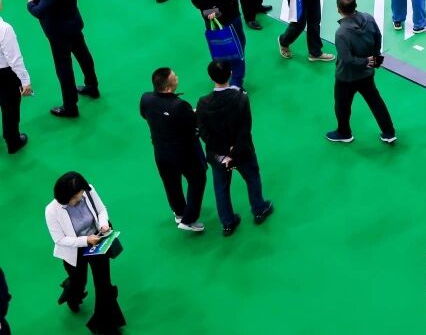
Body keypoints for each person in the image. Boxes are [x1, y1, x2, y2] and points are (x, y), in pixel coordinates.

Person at [196, 60, 275, 236]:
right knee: (252, 177)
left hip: (218, 155)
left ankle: (227, 223)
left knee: (221, 188)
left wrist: (224, 153)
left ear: (210, 77)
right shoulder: (241, 98)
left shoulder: (203, 103)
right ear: (230, 74)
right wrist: (233, 150)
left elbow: (203, 132)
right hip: (242, 151)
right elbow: (245, 128)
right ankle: (259, 209)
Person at [44, 171, 126, 332]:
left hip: (97, 241)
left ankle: (107, 325)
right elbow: (59, 240)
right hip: (74, 250)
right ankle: (72, 294)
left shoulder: (87, 190)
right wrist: (85, 240)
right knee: (78, 282)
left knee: (103, 285)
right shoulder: (51, 211)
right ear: (65, 196)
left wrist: (103, 224)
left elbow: (101, 210)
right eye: (76, 197)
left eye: (81, 194)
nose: (80, 197)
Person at [27, 0, 98, 118]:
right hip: (73, 24)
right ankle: (92, 87)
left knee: (64, 68)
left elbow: (39, 11)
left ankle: (70, 106)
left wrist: (30, 3)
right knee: (84, 56)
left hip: (58, 33)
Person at [140, 67, 207, 231]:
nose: (177, 76)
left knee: (171, 183)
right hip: (184, 153)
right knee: (197, 179)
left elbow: (145, 115)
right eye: (174, 76)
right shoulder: (179, 105)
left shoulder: (146, 99)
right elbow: (194, 123)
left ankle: (179, 213)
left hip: (160, 152)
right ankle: (189, 220)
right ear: (169, 87)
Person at [328, 0, 397, 143]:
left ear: (338, 10)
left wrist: (365, 61)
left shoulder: (341, 33)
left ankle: (344, 133)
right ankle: (389, 132)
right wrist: (374, 58)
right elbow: (378, 37)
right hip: (366, 74)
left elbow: (346, 59)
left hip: (346, 77)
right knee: (376, 102)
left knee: (342, 105)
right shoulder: (369, 18)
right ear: (355, 5)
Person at [0, 0, 33, 154]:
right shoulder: (4, 29)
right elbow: (14, 59)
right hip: (5, 76)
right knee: (10, 108)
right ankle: (13, 141)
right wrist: (25, 81)